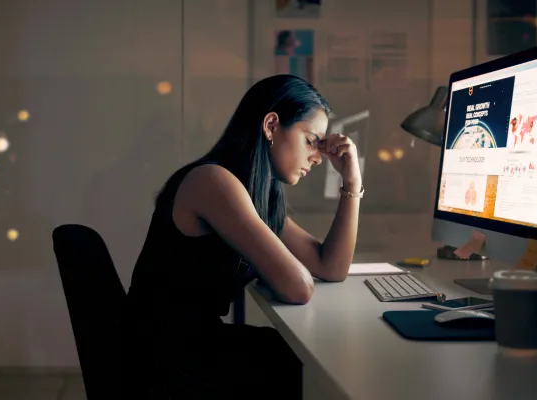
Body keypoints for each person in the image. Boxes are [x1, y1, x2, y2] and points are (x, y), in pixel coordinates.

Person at [122, 74, 362, 399]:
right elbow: (299, 289)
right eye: (310, 140)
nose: (318, 157)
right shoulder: (213, 182)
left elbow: (329, 266)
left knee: (301, 358)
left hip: (192, 345)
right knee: (303, 366)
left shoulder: (260, 195)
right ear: (271, 125)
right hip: (164, 361)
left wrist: (351, 183)